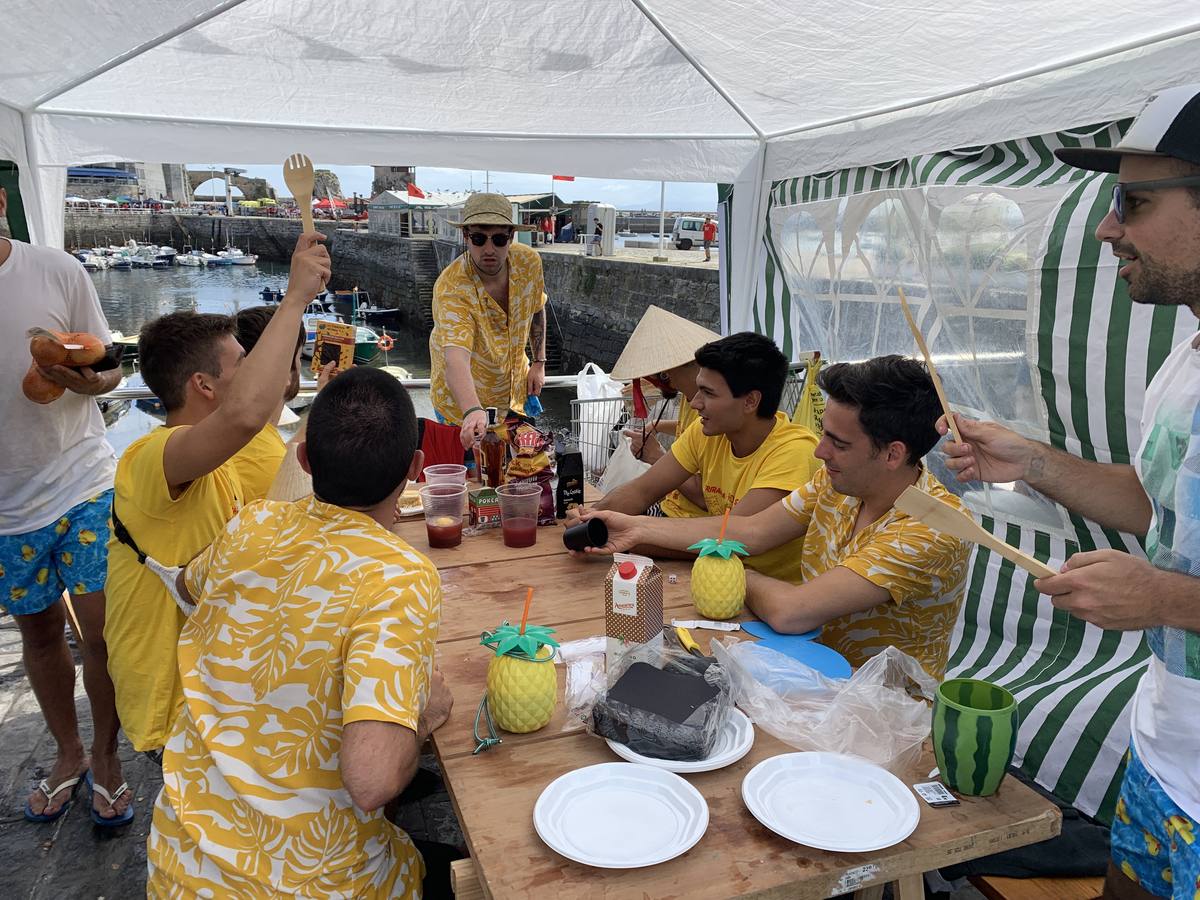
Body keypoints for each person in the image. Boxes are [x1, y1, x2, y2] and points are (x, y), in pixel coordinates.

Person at [939, 84, 1200, 900]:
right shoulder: (1184, 362)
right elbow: (1162, 511)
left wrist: (1164, 597)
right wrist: (1035, 462)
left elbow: (1173, 577)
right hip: (1168, 755)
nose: (1106, 228)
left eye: (1134, 202)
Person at [147, 367, 452, 898]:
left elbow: (192, 589)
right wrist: (423, 717)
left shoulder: (252, 523)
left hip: (179, 869)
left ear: (305, 461)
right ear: (416, 470)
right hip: (310, 885)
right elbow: (373, 780)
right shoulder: (400, 576)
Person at [581, 355, 970, 679]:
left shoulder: (933, 528)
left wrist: (726, 571)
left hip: (879, 711)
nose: (820, 452)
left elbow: (791, 611)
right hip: (802, 670)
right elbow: (753, 529)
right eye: (824, 434)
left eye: (838, 443)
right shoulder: (837, 483)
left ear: (893, 454)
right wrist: (636, 526)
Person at [104, 233, 330, 758]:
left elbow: (256, 419)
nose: (254, 375)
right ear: (204, 386)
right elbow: (247, 414)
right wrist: (294, 300)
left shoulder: (218, 459)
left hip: (213, 679)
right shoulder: (149, 460)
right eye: (241, 366)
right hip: (177, 701)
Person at [0, 185, 132, 825]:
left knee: (103, 633)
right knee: (41, 632)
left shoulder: (55, 268)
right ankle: (69, 752)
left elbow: (111, 369)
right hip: (5, 507)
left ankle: (108, 757)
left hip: (81, 479)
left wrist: (86, 379)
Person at [573, 332, 821, 585]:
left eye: (708, 393)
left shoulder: (794, 452)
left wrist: (629, 533)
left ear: (750, 401)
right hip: (715, 578)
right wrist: (590, 519)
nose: (695, 403)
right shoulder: (707, 432)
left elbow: (732, 538)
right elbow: (642, 490)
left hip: (765, 593)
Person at [429, 193, 547, 449]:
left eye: (499, 239)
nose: (489, 249)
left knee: (529, 476)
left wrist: (539, 362)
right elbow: (455, 359)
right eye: (479, 239)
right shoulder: (452, 288)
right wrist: (472, 410)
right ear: (466, 237)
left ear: (511, 238)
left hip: (515, 394)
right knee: (475, 483)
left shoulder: (529, 263)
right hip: (464, 409)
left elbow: (537, 307)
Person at [608, 304, 721, 518]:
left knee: (611, 531)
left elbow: (703, 497)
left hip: (689, 521)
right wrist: (656, 425)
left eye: (660, 374)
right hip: (671, 507)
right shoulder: (693, 403)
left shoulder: (717, 418)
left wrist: (656, 456)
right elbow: (688, 430)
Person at [230, 304, 309, 501]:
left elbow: (282, 458)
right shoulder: (267, 463)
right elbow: (276, 465)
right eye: (298, 358)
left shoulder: (231, 438)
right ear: (285, 372)